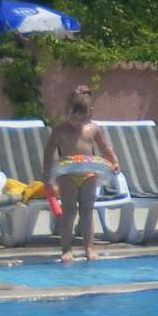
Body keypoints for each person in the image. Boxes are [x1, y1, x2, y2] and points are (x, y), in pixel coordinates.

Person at [42, 85, 119, 263]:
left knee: (87, 211)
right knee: (69, 212)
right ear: (66, 110)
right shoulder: (59, 130)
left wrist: (114, 161)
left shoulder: (93, 129)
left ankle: (89, 247)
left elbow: (105, 147)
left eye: (82, 116)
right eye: (73, 115)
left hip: (89, 175)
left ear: (90, 112)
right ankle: (66, 249)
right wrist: (47, 172)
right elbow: (49, 150)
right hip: (67, 175)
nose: (78, 120)